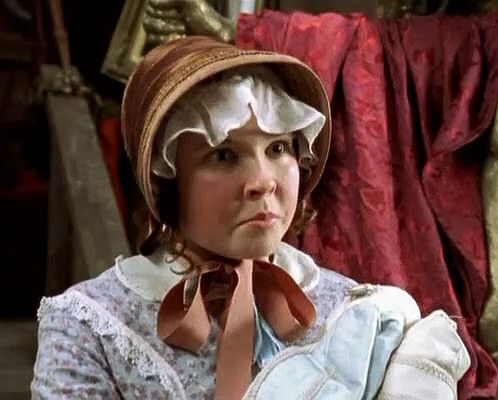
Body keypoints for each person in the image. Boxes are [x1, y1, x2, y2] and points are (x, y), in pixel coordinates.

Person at [31, 36, 468, 399]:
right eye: (224, 155)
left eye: (278, 149)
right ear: (168, 181)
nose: (263, 181)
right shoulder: (90, 325)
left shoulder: (359, 314)